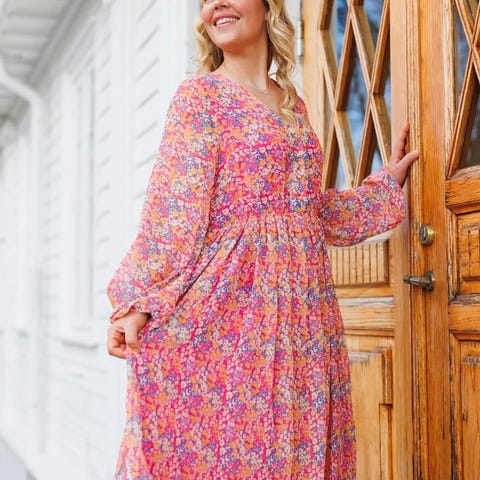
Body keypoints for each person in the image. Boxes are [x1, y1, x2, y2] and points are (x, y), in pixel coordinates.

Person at [107, 0, 419, 478]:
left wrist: (385, 186)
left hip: (305, 318)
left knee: (297, 450)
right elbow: (173, 211)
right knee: (246, 452)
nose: (216, 4)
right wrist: (138, 300)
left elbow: (310, 214)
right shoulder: (200, 99)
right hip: (238, 315)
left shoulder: (293, 105)